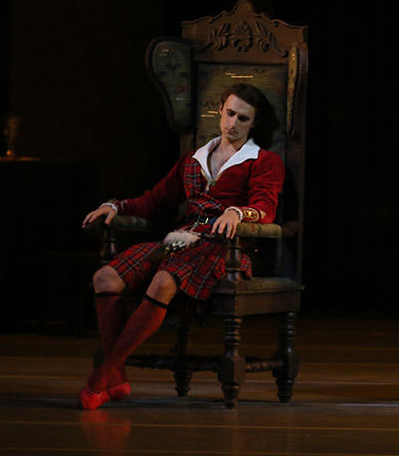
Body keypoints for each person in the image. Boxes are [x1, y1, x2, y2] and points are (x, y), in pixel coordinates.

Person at [77, 83, 284, 410]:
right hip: (181, 239)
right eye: (229, 114)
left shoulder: (263, 161)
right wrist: (116, 207)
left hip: (224, 247)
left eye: (243, 119)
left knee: (163, 281)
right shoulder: (194, 159)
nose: (233, 123)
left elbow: (266, 207)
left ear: (253, 123)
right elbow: (155, 200)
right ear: (220, 110)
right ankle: (115, 375)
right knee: (104, 277)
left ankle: (103, 375)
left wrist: (236, 211)